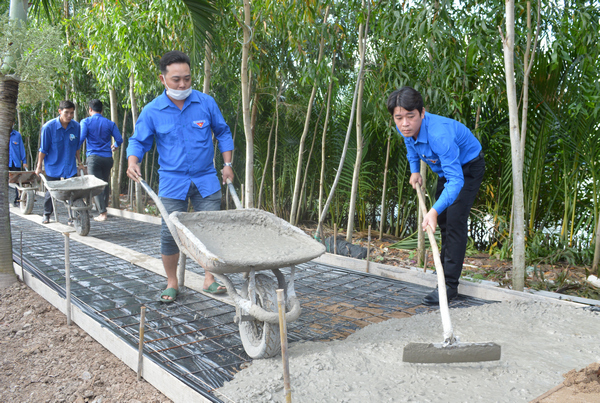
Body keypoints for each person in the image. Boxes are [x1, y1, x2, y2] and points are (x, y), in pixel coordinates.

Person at [126, 50, 234, 303]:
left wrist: (227, 164)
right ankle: (172, 282)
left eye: (187, 78)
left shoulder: (206, 103)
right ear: (162, 79)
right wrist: (132, 162)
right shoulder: (152, 110)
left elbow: (223, 132)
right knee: (170, 234)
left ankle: (209, 278)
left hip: (206, 179)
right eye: (176, 79)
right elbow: (138, 140)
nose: (182, 84)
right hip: (172, 182)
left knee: (210, 231)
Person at [387, 86, 485, 306]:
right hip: (445, 169)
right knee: (443, 220)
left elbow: (456, 181)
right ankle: (444, 270)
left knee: (455, 220)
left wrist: (432, 211)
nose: (404, 124)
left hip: (467, 168)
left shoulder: (439, 136)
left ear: (422, 112)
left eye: (410, 117)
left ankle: (448, 286)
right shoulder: (406, 128)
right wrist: (414, 170)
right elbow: (410, 145)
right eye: (399, 118)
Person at [35, 100, 82, 224]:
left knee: (73, 192)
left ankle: (73, 217)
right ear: (60, 111)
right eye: (66, 112)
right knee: (51, 191)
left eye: (71, 113)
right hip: (54, 165)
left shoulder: (76, 127)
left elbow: (76, 146)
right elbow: (43, 149)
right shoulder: (48, 127)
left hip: (70, 165)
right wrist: (39, 166)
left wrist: (79, 162)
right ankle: (46, 214)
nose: (69, 116)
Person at [80, 99, 123, 222]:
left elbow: (81, 138)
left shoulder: (86, 122)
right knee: (104, 183)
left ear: (90, 109)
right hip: (107, 158)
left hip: (94, 158)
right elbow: (119, 139)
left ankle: (102, 213)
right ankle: (104, 209)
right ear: (102, 110)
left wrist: (74, 152)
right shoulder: (110, 123)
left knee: (96, 185)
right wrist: (114, 146)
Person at [9, 127, 28, 206]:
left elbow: (21, 149)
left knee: (18, 182)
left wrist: (24, 162)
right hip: (4, 162)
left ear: (13, 123)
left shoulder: (17, 135)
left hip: (15, 162)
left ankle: (18, 199)